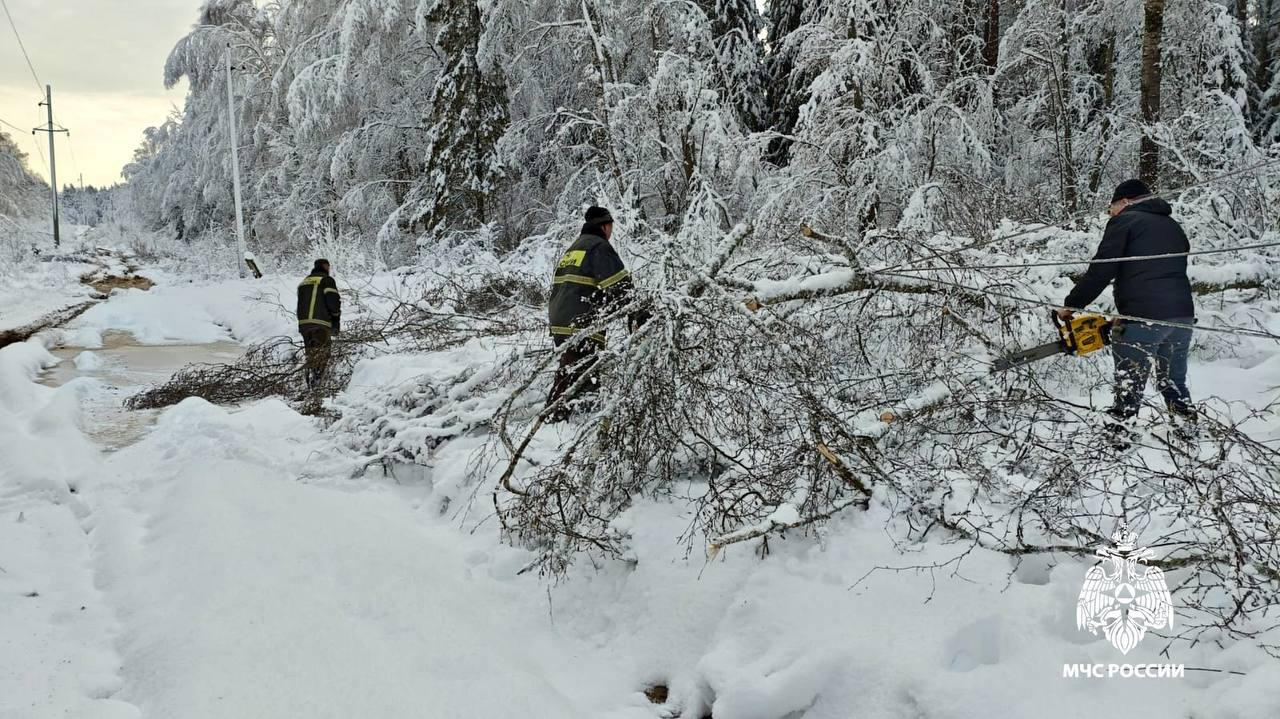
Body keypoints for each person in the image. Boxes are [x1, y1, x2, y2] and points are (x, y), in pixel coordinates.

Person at [1058, 179, 1195, 438]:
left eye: (1111, 208)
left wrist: (1070, 305)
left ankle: (1118, 441)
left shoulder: (1126, 221)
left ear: (1124, 201)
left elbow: (1102, 269)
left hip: (1142, 318)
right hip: (1182, 316)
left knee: (1129, 384)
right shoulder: (1173, 226)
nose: (1110, 214)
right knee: (1173, 381)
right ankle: (1189, 433)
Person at [545, 206, 635, 421]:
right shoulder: (599, 247)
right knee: (577, 368)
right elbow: (620, 286)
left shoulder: (574, 247)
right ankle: (554, 415)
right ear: (604, 226)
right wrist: (638, 313)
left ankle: (583, 415)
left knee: (585, 368)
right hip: (580, 320)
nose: (611, 232)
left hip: (560, 317)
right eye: (611, 227)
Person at [297, 258, 341, 389]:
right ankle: (317, 386)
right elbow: (333, 301)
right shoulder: (326, 280)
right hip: (321, 322)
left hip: (304, 324)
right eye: (328, 266)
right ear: (325, 266)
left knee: (310, 353)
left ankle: (309, 384)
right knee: (322, 353)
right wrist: (336, 319)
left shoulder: (304, 282)